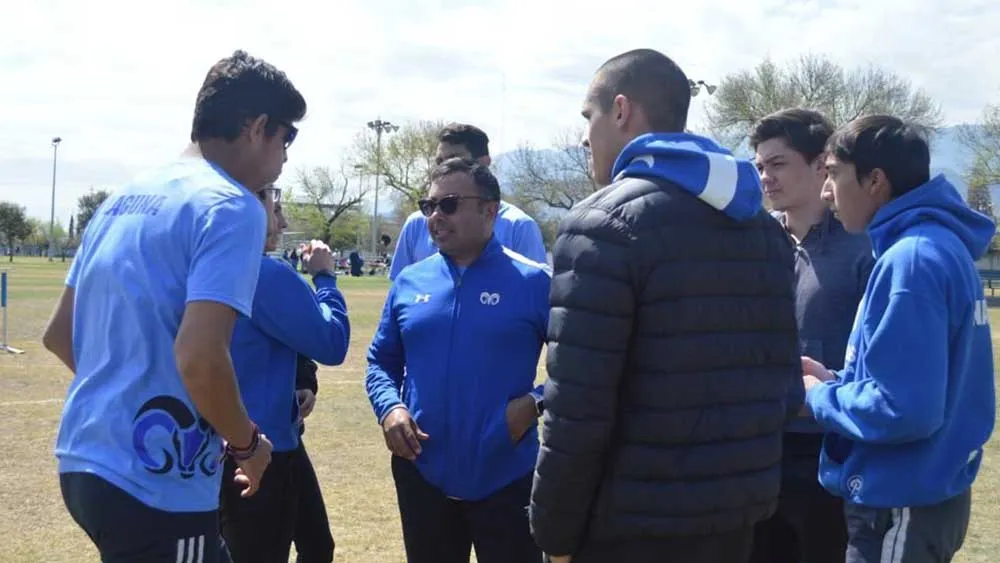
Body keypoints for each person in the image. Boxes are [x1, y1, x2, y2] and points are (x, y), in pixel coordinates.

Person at [528, 48, 801, 563]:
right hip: (734, 519)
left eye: (590, 116)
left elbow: (576, 410)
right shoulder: (762, 228)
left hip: (627, 529)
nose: (586, 136)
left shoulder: (601, 224)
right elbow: (782, 389)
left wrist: (554, 536)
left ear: (622, 111)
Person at [41, 49, 305, 563]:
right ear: (257, 127)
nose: (286, 156)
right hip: (154, 482)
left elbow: (59, 333)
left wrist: (133, 390)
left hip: (84, 461)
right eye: (287, 137)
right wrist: (248, 444)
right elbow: (201, 358)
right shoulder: (232, 205)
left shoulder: (123, 197)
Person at [801, 114, 996, 563]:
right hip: (924, 495)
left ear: (875, 180)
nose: (826, 192)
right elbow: (913, 377)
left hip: (901, 499)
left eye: (832, 174)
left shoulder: (911, 259)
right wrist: (835, 380)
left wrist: (818, 397)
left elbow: (904, 409)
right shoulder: (936, 246)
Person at [366, 157, 550, 563]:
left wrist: (534, 403)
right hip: (422, 474)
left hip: (506, 474)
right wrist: (390, 408)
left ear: (489, 210)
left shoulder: (535, 282)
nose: (435, 216)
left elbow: (580, 365)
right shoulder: (410, 281)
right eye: (428, 205)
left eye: (448, 204)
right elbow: (381, 359)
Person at [748, 108, 874, 563]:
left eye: (778, 164)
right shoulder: (752, 244)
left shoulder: (865, 248)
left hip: (834, 451)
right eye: (760, 167)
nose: (766, 178)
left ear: (822, 164)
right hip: (759, 448)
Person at [220, 195, 350, 563]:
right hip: (261, 448)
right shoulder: (264, 273)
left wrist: (301, 376)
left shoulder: (210, 263)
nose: (284, 220)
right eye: (275, 209)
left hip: (237, 440)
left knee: (316, 544)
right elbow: (332, 342)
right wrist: (325, 277)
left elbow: (267, 337)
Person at [388, 123, 547, 279]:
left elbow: (534, 291)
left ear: (484, 163)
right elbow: (402, 292)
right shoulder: (416, 224)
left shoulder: (519, 226)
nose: (444, 167)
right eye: (439, 161)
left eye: (453, 159)